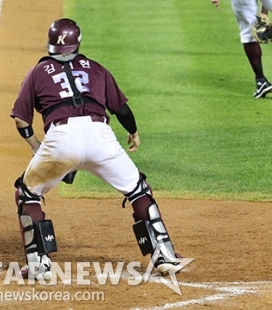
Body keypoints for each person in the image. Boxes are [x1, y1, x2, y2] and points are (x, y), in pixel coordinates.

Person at [10, 18, 183, 279]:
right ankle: (165, 255)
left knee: (27, 193)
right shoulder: (96, 68)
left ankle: (38, 263)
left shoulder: (37, 72)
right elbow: (121, 109)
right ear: (78, 42)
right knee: (138, 190)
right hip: (100, 137)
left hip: (60, 138)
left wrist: (37, 147)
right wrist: (133, 132)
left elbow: (21, 119)